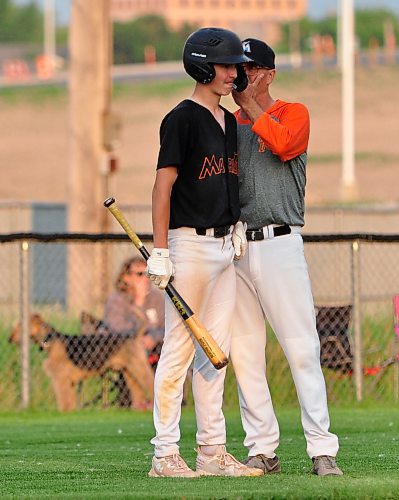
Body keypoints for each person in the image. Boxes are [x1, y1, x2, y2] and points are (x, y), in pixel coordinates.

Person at [145, 27, 262, 479]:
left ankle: (212, 452)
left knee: (216, 352)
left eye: (236, 66)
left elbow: (226, 180)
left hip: (221, 247)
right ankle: (165, 454)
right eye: (227, 65)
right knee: (178, 350)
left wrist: (235, 223)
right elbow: (162, 186)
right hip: (188, 246)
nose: (234, 73)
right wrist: (160, 250)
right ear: (202, 66)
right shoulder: (182, 118)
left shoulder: (228, 121)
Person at [230, 38, 343, 476]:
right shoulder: (228, 122)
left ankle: (321, 449)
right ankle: (262, 448)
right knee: (246, 352)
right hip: (238, 244)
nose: (245, 75)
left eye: (253, 68)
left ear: (271, 74)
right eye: (240, 68)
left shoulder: (292, 111)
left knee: (300, 349)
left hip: (280, 242)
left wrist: (252, 105)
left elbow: (282, 145)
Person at [103, 256, 165, 407]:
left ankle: (163, 400)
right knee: (133, 353)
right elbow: (116, 327)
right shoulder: (117, 299)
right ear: (126, 277)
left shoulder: (157, 298)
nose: (145, 279)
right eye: (139, 274)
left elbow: (168, 327)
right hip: (124, 348)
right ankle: (144, 400)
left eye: (147, 274)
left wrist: (153, 337)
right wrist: (138, 303)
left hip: (154, 347)